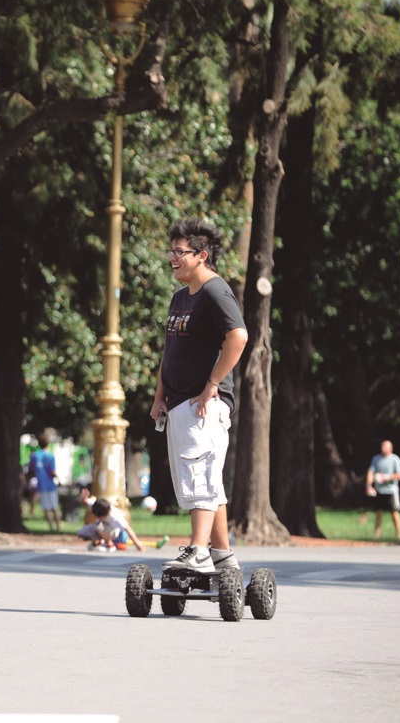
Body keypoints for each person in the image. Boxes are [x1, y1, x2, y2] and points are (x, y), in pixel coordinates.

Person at [150, 218, 249, 574]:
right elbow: (170, 349)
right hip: (179, 403)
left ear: (202, 255)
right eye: (171, 251)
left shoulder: (215, 291)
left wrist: (212, 386)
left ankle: (199, 551)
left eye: (180, 252)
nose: (172, 258)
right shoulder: (181, 297)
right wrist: (160, 395)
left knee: (201, 475)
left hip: (203, 402)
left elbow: (238, 337)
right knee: (205, 479)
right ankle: (222, 554)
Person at [366, 440, 400, 540]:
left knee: (394, 512)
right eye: (382, 445)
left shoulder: (395, 459)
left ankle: (399, 535)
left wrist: (385, 477)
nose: (383, 447)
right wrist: (369, 485)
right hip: (379, 490)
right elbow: (371, 472)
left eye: (385, 446)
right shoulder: (376, 459)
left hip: (391, 490)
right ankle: (376, 535)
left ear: (390, 448)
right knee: (378, 512)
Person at [77, 497, 146, 551]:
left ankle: (110, 545)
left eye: (99, 517)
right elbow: (86, 501)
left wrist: (137, 544)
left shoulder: (114, 516)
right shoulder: (98, 506)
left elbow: (127, 528)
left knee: (98, 527)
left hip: (115, 533)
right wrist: (83, 499)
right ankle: (98, 543)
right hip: (104, 529)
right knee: (83, 531)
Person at [28, 435, 61, 532]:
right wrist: (58, 480)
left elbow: (31, 470)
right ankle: (58, 527)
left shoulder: (35, 455)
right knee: (54, 507)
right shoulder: (50, 456)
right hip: (50, 485)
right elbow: (52, 471)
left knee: (46, 508)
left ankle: (51, 527)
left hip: (40, 485)